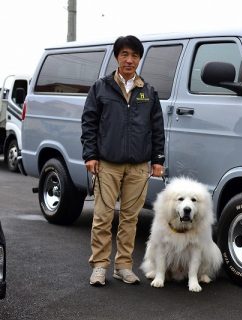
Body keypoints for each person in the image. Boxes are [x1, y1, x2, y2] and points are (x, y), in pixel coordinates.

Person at [81, 35, 165, 286]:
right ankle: (99, 266)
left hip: (139, 167)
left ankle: (123, 266)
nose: (129, 60)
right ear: (117, 57)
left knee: (130, 218)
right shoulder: (100, 87)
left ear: (140, 59)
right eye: (125, 54)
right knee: (103, 216)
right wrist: (90, 155)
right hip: (107, 164)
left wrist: (158, 160)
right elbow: (89, 123)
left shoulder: (148, 92)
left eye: (135, 55)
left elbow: (157, 128)